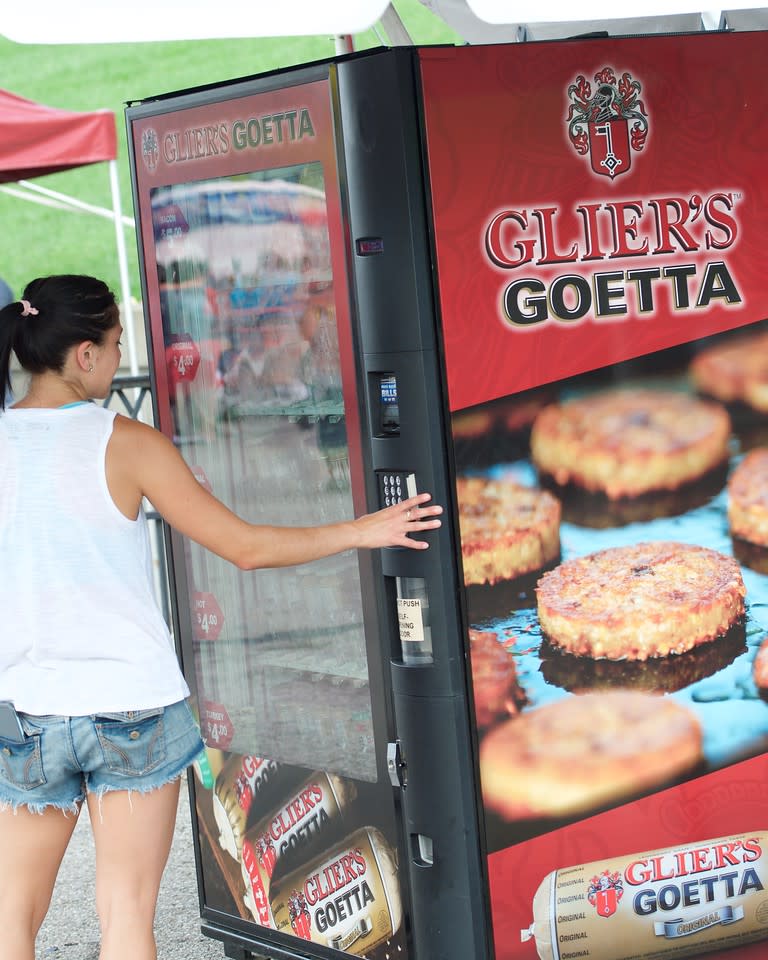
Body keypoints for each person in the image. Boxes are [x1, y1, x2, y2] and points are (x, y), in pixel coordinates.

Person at [0, 274, 442, 960]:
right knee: (124, 917)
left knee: (10, 923)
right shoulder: (125, 442)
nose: (119, 361)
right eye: (117, 345)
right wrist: (361, 530)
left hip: (26, 712)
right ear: (83, 353)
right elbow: (245, 547)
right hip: (131, 710)